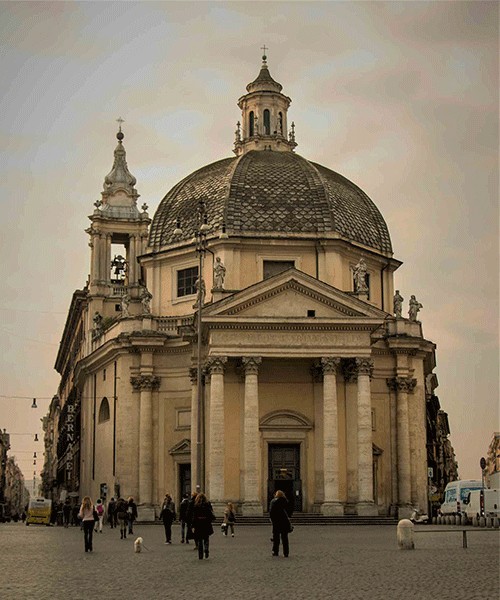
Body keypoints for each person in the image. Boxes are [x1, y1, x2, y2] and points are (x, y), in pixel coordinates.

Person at [191, 492, 215, 560]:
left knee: (199, 540)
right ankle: (206, 549)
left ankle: (200, 554)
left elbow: (194, 517)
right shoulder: (207, 505)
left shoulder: (196, 506)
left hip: (198, 524)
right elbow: (210, 514)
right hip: (206, 524)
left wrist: (193, 525)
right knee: (206, 538)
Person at [269, 490, 292, 557]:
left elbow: (272, 512)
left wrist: (272, 520)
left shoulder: (274, 502)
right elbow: (289, 510)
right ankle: (286, 552)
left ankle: (275, 551)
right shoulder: (286, 502)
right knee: (285, 538)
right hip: (284, 522)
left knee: (276, 538)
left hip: (277, 522)